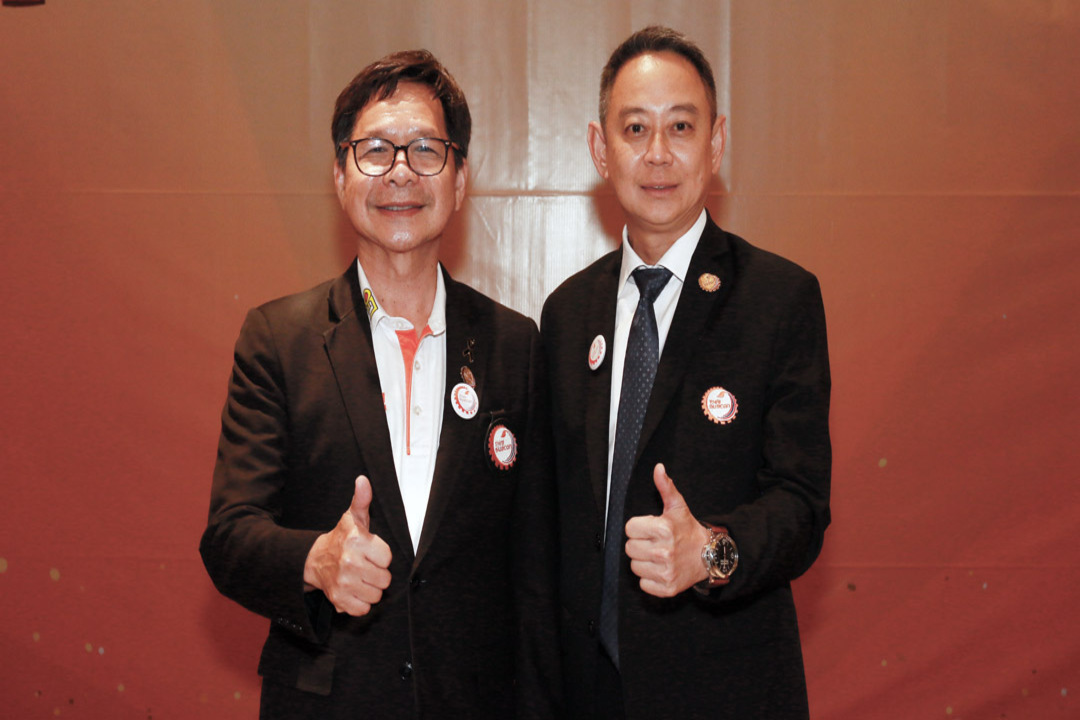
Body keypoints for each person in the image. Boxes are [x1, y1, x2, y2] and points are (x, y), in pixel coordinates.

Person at [200, 50, 559, 719]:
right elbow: (229, 537)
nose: (400, 171)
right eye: (374, 151)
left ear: (459, 179)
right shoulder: (279, 340)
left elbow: (537, 572)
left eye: (425, 149)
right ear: (340, 176)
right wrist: (316, 560)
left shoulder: (515, 345)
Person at [541, 26, 831, 719]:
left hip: (726, 690)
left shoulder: (778, 299)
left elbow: (800, 504)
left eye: (681, 126)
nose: (658, 154)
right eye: (635, 128)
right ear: (600, 149)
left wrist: (710, 553)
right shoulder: (566, 313)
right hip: (586, 694)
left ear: (716, 143)